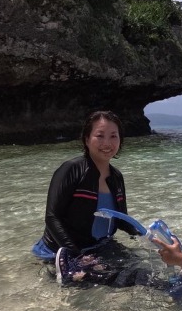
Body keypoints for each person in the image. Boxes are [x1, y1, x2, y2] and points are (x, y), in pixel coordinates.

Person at [32, 110, 140, 261]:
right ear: (87, 139)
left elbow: (121, 219)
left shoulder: (116, 177)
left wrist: (145, 235)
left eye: (113, 136)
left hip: (99, 247)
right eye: (100, 136)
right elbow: (52, 217)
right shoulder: (71, 169)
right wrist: (77, 256)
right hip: (60, 251)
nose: (107, 143)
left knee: (145, 270)